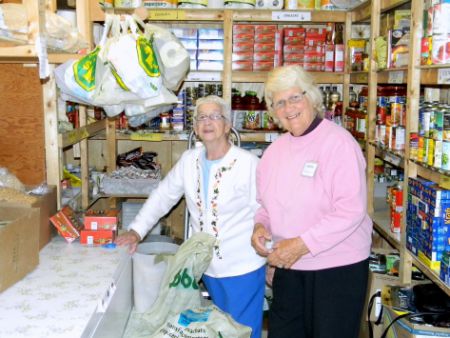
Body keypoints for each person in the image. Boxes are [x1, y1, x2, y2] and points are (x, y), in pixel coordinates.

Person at [116, 95, 266, 338]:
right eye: (201, 118)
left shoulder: (248, 163)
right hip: (204, 266)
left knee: (243, 331)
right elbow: (162, 197)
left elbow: (265, 211)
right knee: (215, 330)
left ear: (227, 125)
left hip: (242, 267)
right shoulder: (189, 160)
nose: (208, 122)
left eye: (215, 116)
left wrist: (273, 253)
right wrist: (136, 231)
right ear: (195, 128)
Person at [251, 65, 372, 338]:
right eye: (279, 102)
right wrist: (261, 228)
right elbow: (265, 206)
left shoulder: (339, 143)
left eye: (295, 97)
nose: (288, 107)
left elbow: (350, 210)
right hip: (289, 266)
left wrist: (300, 245)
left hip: (336, 270)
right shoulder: (274, 152)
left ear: (312, 98)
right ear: (272, 110)